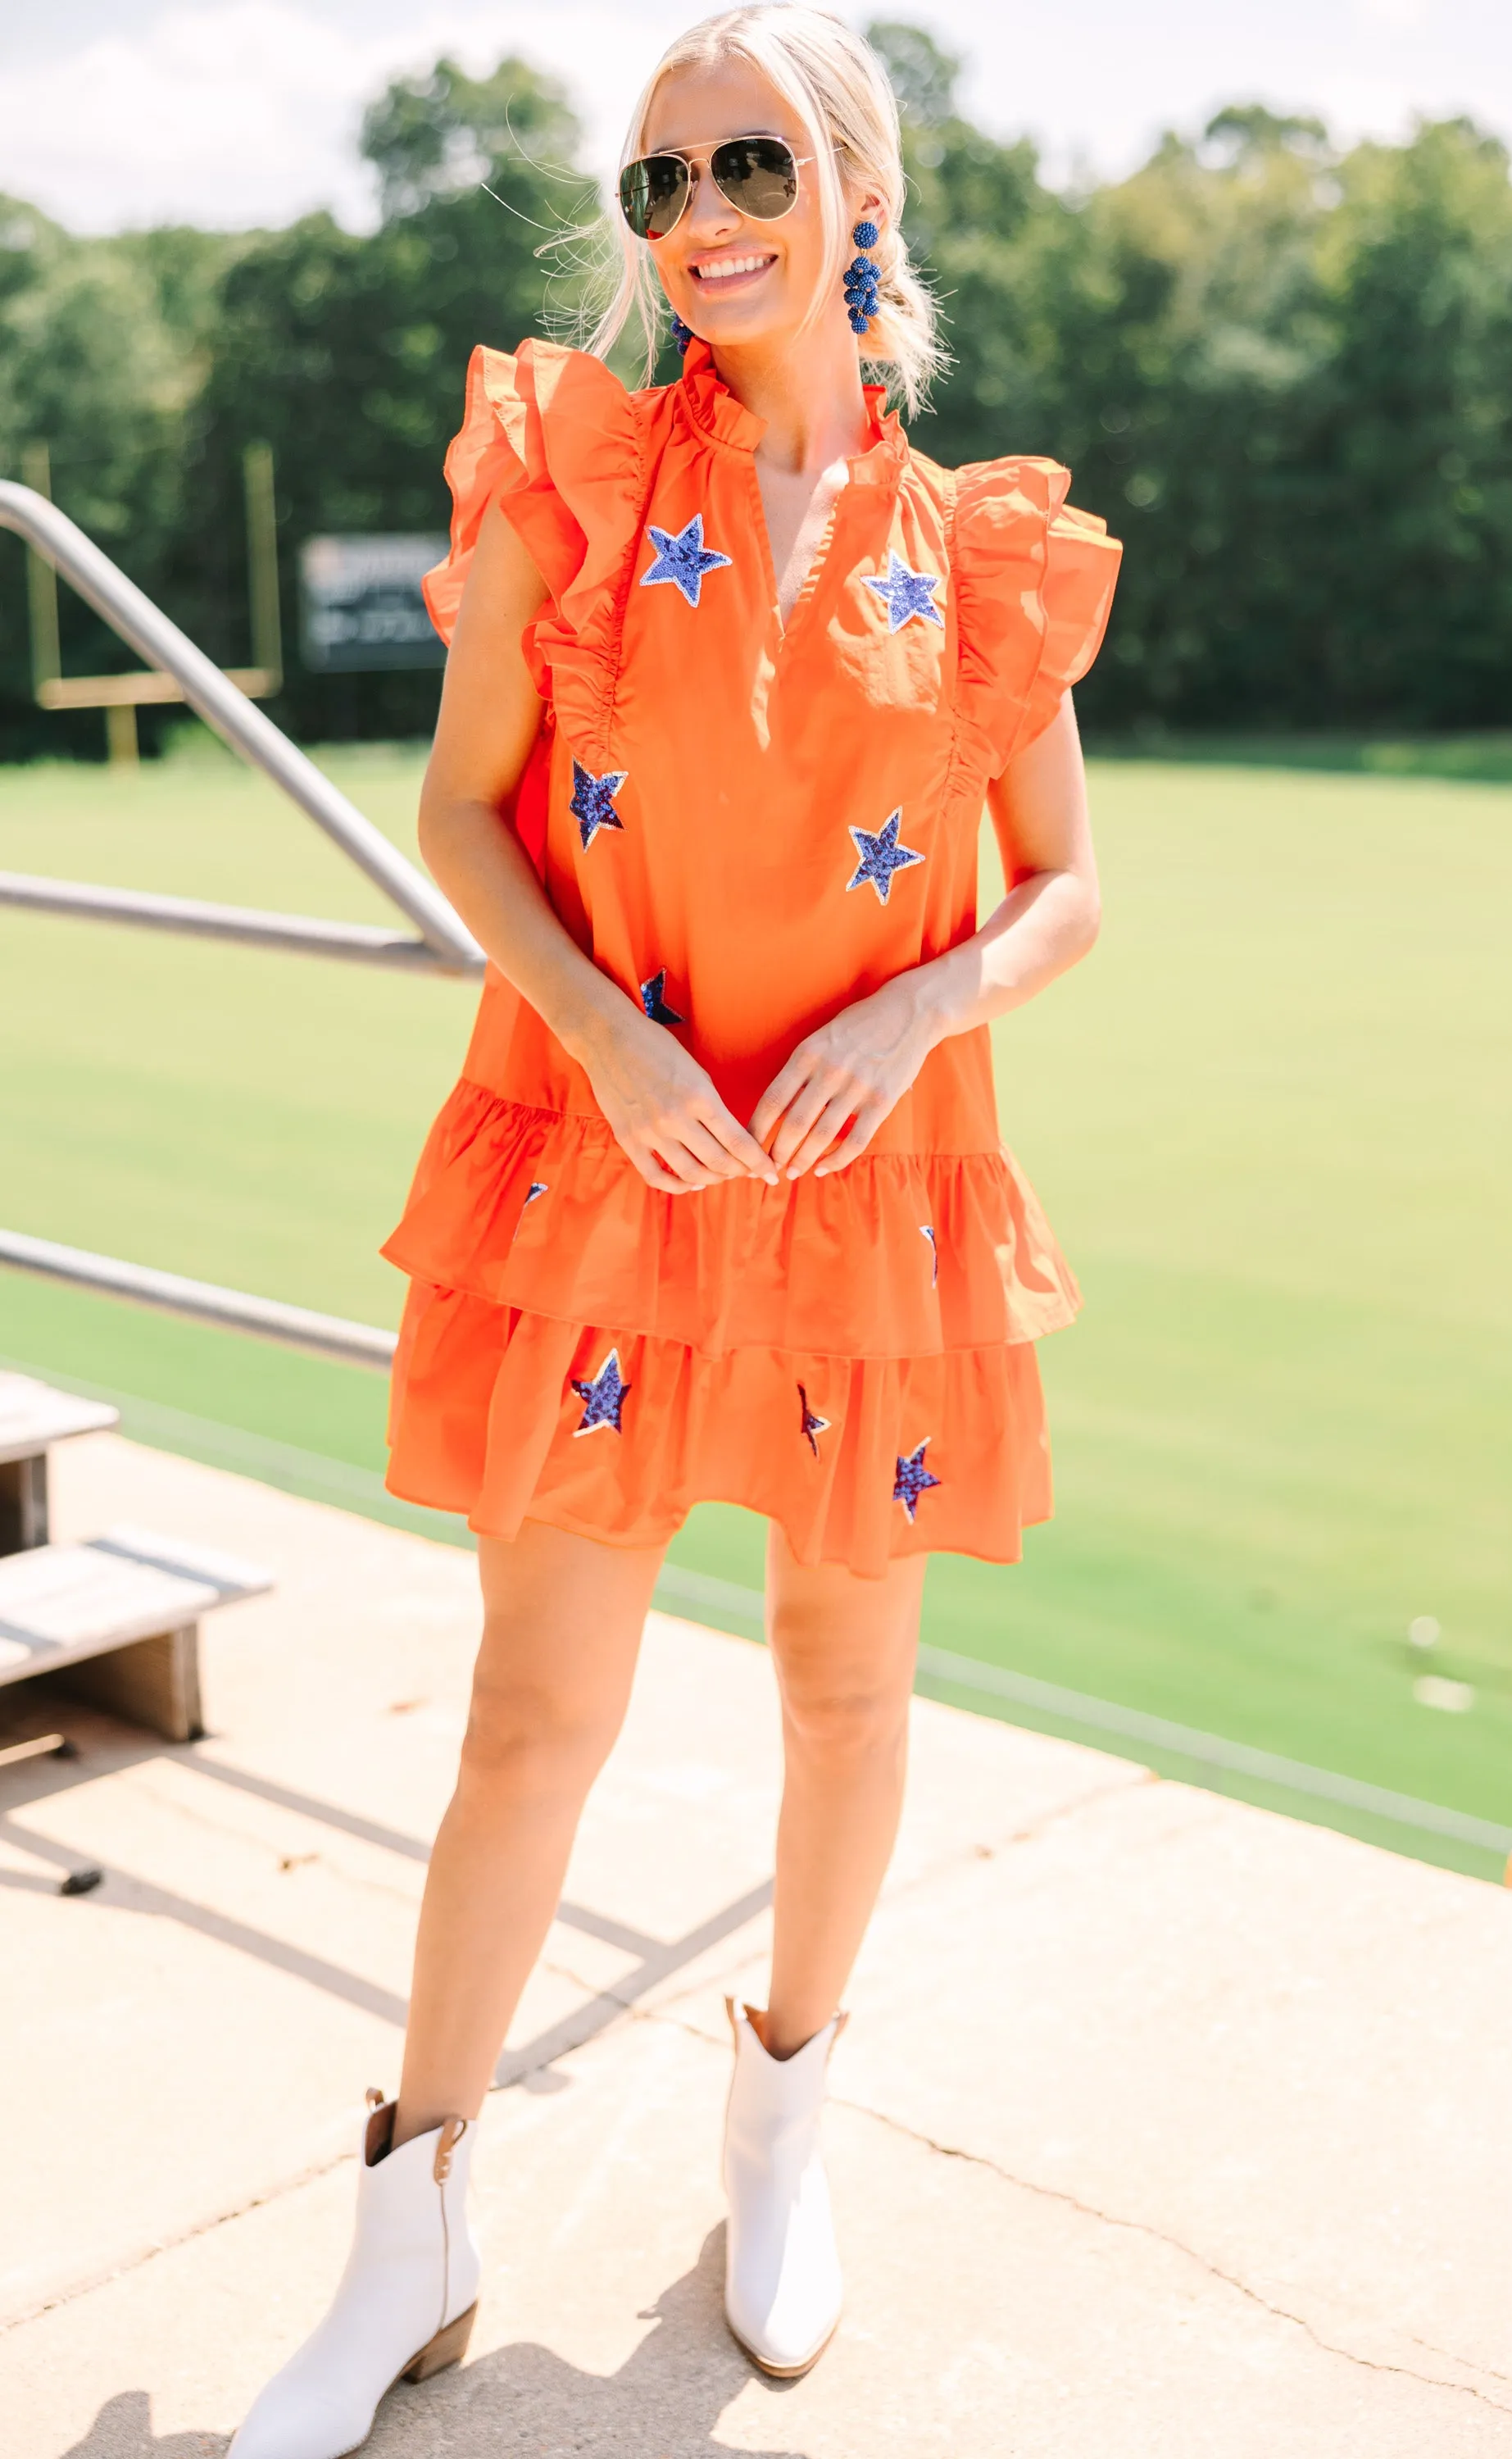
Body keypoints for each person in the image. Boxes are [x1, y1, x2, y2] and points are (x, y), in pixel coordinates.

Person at [229, 8, 1119, 2452]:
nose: (697, 220)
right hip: (598, 1177)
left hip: (866, 1204)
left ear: (857, 187)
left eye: (742, 164)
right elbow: (467, 808)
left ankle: (779, 2133)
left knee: (848, 1699)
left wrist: (927, 995)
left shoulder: (988, 555)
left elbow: (1062, 887)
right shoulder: (578, 479)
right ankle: (407, 2230)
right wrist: (617, 1048)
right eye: (655, 186)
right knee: (538, 1717)